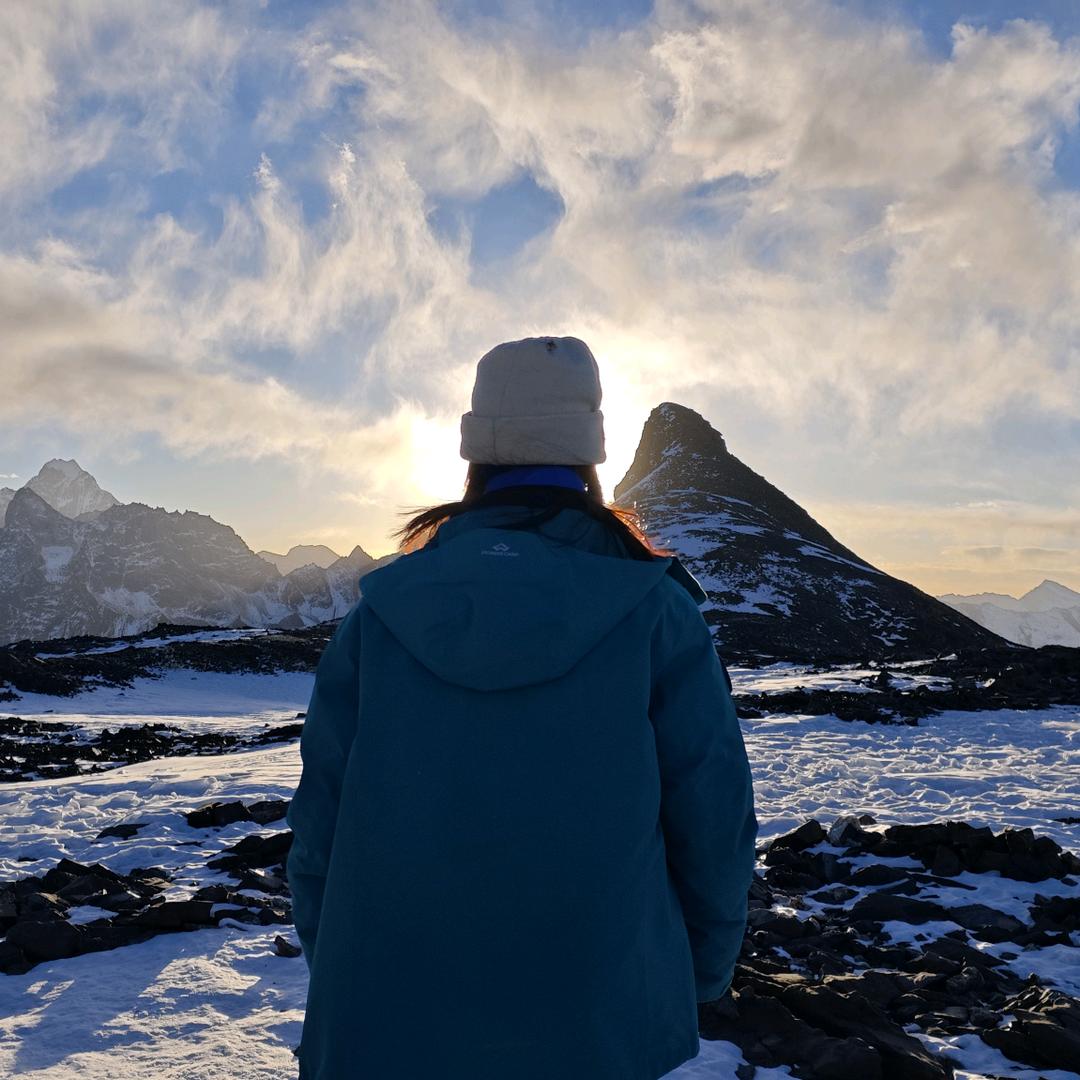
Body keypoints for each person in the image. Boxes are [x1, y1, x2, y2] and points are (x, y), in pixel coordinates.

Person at [285, 335, 758, 1080]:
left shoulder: (379, 615)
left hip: (385, 1015)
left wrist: (342, 967)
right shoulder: (654, 611)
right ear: (588, 458)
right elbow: (714, 819)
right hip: (596, 1018)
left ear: (475, 458)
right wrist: (688, 979)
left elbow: (319, 825)